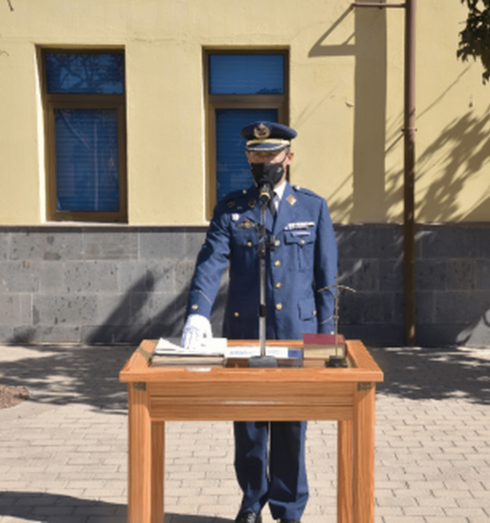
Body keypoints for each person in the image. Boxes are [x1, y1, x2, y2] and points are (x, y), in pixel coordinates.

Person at [181, 121, 338, 523]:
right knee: (248, 425)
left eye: (271, 155)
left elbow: (325, 280)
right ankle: (252, 501)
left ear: (289, 156)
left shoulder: (312, 207)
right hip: (246, 335)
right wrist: (198, 314)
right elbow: (211, 262)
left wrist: (326, 342)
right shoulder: (232, 209)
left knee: (290, 425)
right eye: (256, 155)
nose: (263, 162)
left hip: (295, 337)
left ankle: (288, 509)